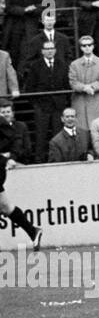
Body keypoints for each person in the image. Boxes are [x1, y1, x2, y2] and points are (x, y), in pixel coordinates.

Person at [0, 97, 42, 250]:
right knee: (5, 207)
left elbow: (14, 139)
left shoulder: (4, 124)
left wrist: (9, 156)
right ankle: (33, 231)